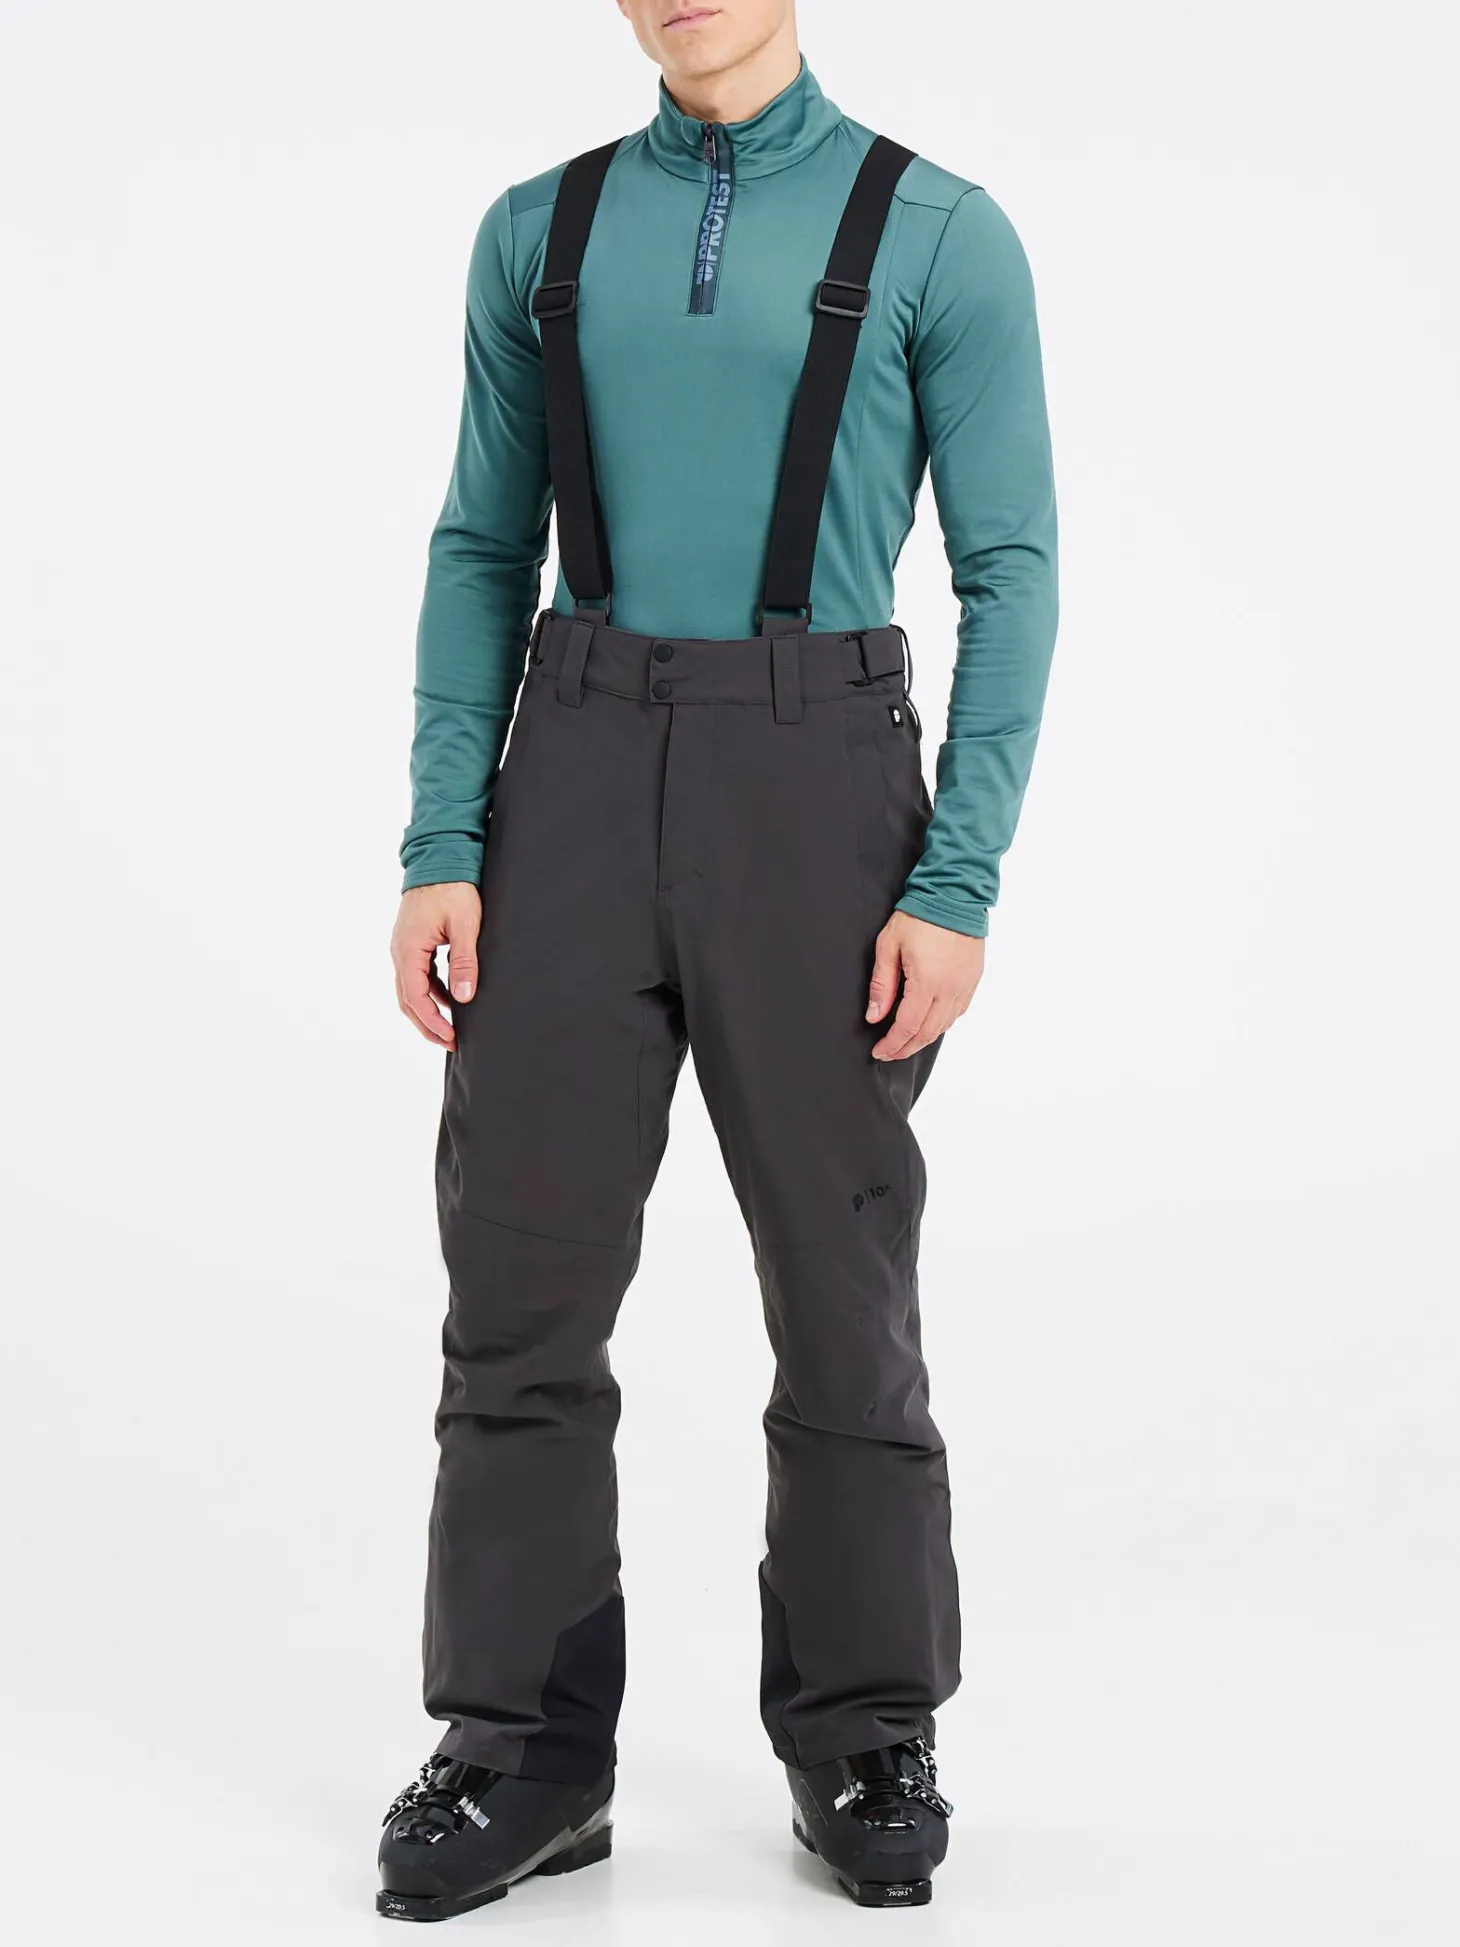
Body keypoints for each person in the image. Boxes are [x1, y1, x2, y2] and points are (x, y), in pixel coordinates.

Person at [380, 0, 1057, 1919]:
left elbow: (1009, 568)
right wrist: (444, 842)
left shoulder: (939, 231)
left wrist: (958, 876)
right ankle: (521, 1749)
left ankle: (864, 1729)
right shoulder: (540, 229)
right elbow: (480, 542)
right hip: (572, 770)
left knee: (841, 1293)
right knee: (519, 1288)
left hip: (819, 782)